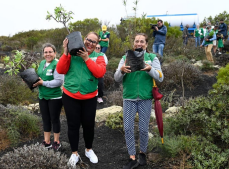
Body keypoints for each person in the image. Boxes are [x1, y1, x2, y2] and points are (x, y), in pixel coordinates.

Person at [114, 33, 164, 169]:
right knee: (128, 128)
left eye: (142, 41)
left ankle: (142, 152)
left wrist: (149, 69)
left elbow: (160, 77)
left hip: (145, 98)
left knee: (143, 128)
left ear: (146, 44)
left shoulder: (152, 58)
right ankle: (132, 156)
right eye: (137, 41)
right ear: (133, 43)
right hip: (129, 98)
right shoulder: (125, 58)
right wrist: (122, 71)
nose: (139, 44)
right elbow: (116, 77)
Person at [57, 32, 106, 167]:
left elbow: (99, 73)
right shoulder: (72, 54)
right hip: (70, 96)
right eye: (88, 40)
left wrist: (86, 58)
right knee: (73, 125)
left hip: (89, 97)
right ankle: (75, 153)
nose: (90, 43)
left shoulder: (100, 56)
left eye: (94, 42)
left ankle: (89, 150)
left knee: (88, 125)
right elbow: (61, 69)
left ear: (97, 44)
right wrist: (66, 52)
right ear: (84, 39)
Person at [33, 43, 64, 151]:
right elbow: (39, 77)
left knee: (54, 119)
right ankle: (47, 142)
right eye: (46, 52)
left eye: (50, 52)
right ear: (43, 54)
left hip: (54, 97)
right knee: (45, 119)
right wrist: (30, 80)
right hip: (43, 96)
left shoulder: (58, 63)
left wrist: (43, 83)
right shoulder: (42, 63)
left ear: (55, 53)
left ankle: (56, 142)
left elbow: (59, 82)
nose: (48, 54)